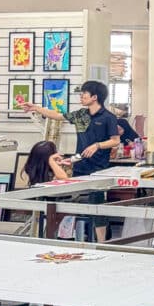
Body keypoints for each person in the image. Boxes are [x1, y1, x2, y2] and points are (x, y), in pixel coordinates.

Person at [24, 80, 120, 242]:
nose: (81, 96)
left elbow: (115, 140)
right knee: (74, 205)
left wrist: (97, 145)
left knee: (97, 205)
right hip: (79, 168)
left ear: (95, 97)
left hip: (99, 170)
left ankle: (102, 242)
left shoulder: (108, 117)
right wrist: (36, 108)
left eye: (84, 94)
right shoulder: (80, 114)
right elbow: (57, 116)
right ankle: (69, 238)